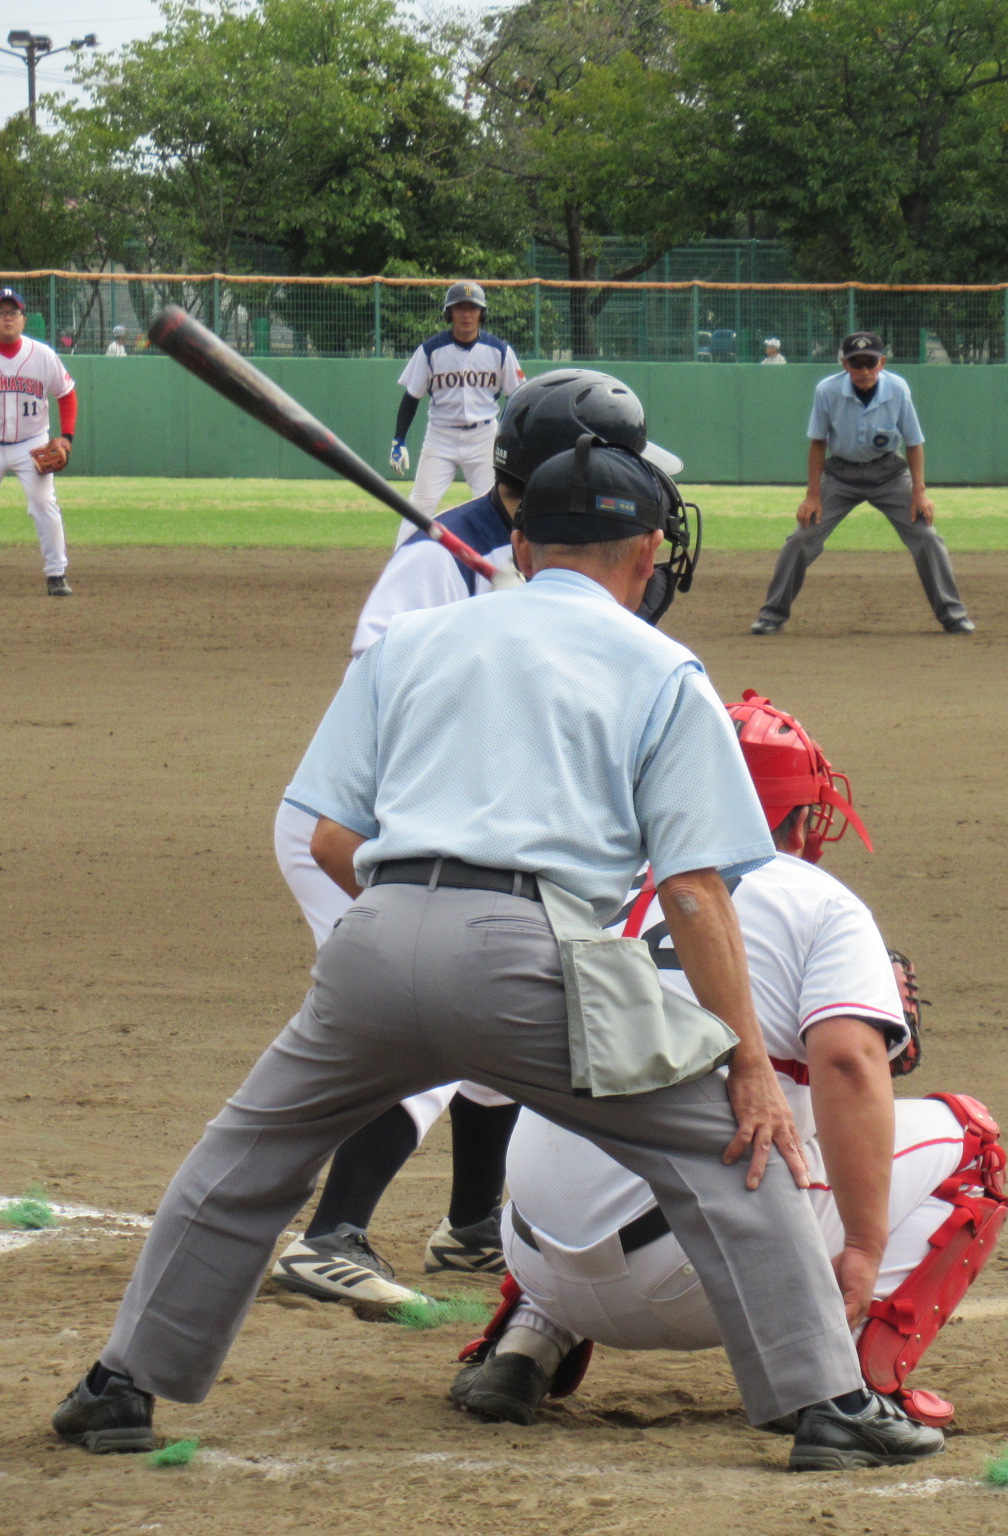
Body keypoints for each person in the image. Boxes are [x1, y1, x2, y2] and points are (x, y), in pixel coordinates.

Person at [52, 438, 944, 1474]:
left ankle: (119, 1386)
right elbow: (695, 890)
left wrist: (413, 934)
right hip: (528, 956)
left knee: (243, 1158)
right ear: (646, 553)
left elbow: (331, 837)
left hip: (374, 939)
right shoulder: (662, 667)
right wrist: (746, 1063)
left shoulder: (412, 641)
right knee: (725, 1149)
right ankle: (827, 1404)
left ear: (520, 542)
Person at [448, 691, 1008, 1446]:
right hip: (703, 1273)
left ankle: (524, 1338)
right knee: (970, 1143)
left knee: (596, 1108)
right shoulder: (816, 900)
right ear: (800, 815)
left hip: (532, 1245)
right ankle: (841, 1387)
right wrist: (865, 1246)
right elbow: (848, 1063)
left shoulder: (592, 881)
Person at [268, 370, 689, 1313]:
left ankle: (468, 1225)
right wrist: (486, 620)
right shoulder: (439, 559)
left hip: (460, 821)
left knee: (488, 1010)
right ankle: (330, 1235)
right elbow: (378, 697)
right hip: (368, 823)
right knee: (433, 1015)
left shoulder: (561, 560)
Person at [752, 331, 972, 636]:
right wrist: (812, 496)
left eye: (871, 362)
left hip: (889, 474)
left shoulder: (897, 389)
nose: (864, 370)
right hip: (841, 475)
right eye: (857, 363)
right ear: (845, 364)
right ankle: (771, 615)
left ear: (882, 363)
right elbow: (818, 443)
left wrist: (919, 492)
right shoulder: (827, 391)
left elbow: (914, 442)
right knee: (802, 538)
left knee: (927, 536)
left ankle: (953, 615)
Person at [390, 281, 524, 539]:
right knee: (420, 504)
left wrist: (511, 438)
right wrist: (399, 439)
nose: (466, 314)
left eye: (472, 308)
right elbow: (411, 397)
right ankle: (401, 558)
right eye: (459, 308)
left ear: (481, 313)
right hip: (441, 436)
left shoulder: (499, 350)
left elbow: (517, 397)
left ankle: (504, 561)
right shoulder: (431, 350)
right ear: (449, 313)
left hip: (484, 436)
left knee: (495, 505)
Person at [0, 286, 78, 596]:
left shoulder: (43, 355)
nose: (7, 318)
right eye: (1, 313)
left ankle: (56, 574)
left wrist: (67, 437)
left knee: (44, 504)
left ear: (23, 319)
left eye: (13, 312)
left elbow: (66, 394)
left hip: (30, 443)